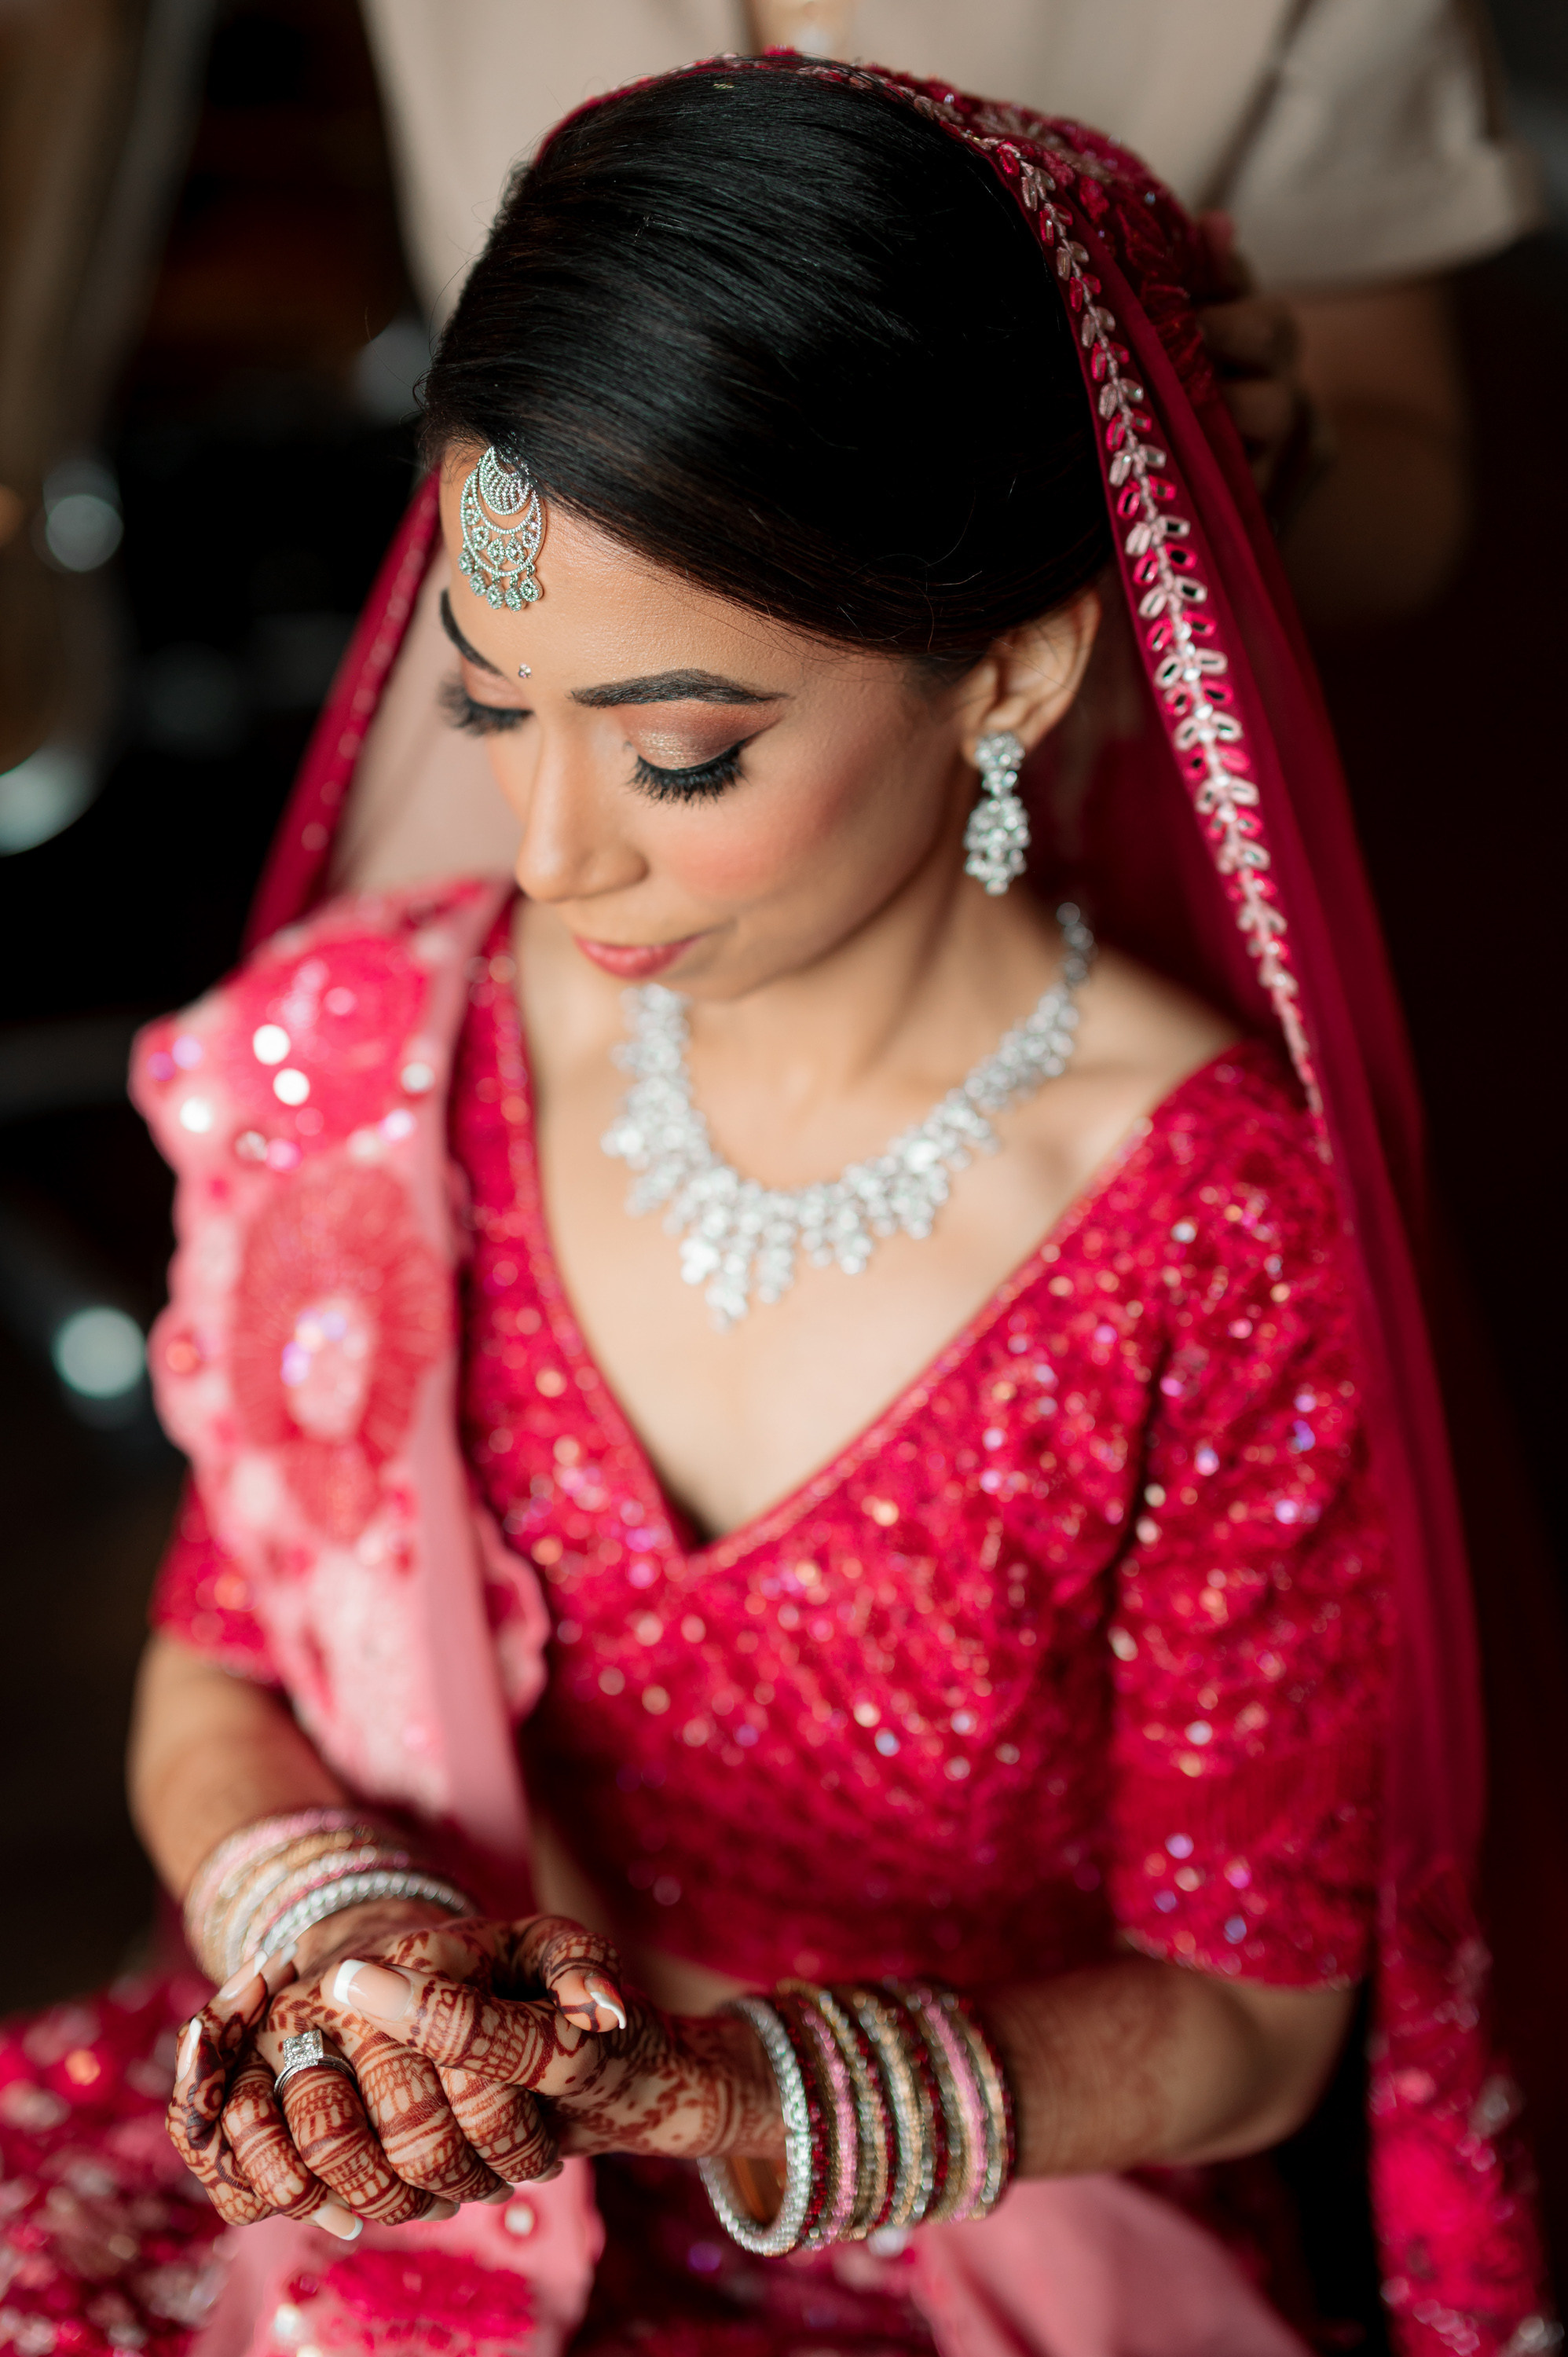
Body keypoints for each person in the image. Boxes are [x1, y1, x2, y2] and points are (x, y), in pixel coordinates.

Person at [0, 57, 1548, 2357]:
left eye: (679, 751)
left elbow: (1244, 2023)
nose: (547, 853)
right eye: (494, 711)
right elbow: (223, 1657)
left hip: (957, 2242)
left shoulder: (1216, 1238)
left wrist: (698, 2090)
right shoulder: (386, 1054)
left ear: (1005, 671)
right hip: (404, 2171)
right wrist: (349, 1947)